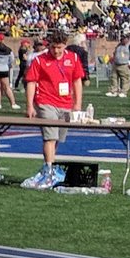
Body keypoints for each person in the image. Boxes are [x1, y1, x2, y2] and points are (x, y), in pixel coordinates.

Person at [23, 27, 85, 188]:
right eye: (53, 47)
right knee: (49, 137)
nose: (56, 51)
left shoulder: (73, 58)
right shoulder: (40, 60)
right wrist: (30, 105)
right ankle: (49, 169)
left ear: (65, 45)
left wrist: (77, 103)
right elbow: (31, 82)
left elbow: (77, 81)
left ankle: (49, 167)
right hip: (45, 101)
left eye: (59, 47)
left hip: (66, 104)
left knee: (57, 138)